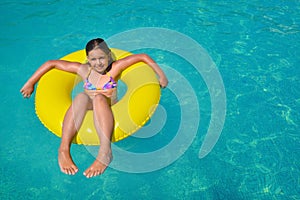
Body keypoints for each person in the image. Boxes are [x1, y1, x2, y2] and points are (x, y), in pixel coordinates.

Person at [20, 38, 168, 178]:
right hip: (88, 108)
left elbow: (142, 56)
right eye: (93, 59)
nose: (98, 63)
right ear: (87, 59)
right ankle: (63, 149)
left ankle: (105, 152)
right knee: (80, 97)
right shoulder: (84, 70)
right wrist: (30, 83)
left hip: (108, 108)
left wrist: (162, 76)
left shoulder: (114, 69)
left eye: (102, 58)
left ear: (109, 56)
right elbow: (51, 63)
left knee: (98, 97)